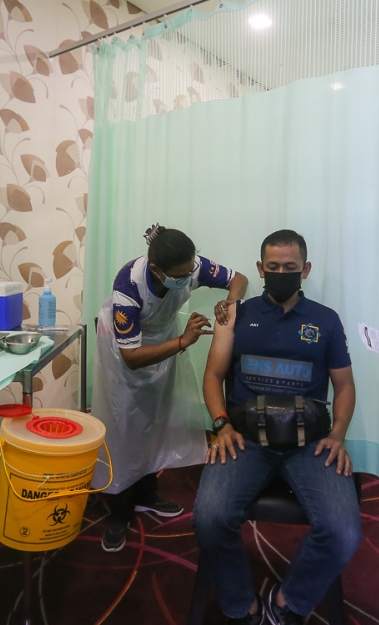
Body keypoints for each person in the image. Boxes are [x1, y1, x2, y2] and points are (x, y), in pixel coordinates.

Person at [193, 229, 361, 625]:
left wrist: (338, 435)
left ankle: (287, 604)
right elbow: (213, 376)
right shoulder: (235, 314)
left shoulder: (325, 320)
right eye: (273, 267)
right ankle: (241, 607)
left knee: (343, 532)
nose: (281, 273)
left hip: (310, 442)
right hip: (246, 439)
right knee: (209, 517)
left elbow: (346, 386)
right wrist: (221, 426)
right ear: (260, 269)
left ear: (306, 269)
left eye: (290, 267)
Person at [91, 224, 248, 553]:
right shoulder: (128, 288)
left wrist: (229, 304)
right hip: (124, 351)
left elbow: (239, 279)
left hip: (164, 338)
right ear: (155, 270)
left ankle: (146, 494)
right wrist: (182, 341)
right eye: (178, 275)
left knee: (155, 417)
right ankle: (118, 510)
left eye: (190, 269)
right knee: (123, 426)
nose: (187, 277)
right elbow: (132, 357)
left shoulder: (191, 266)